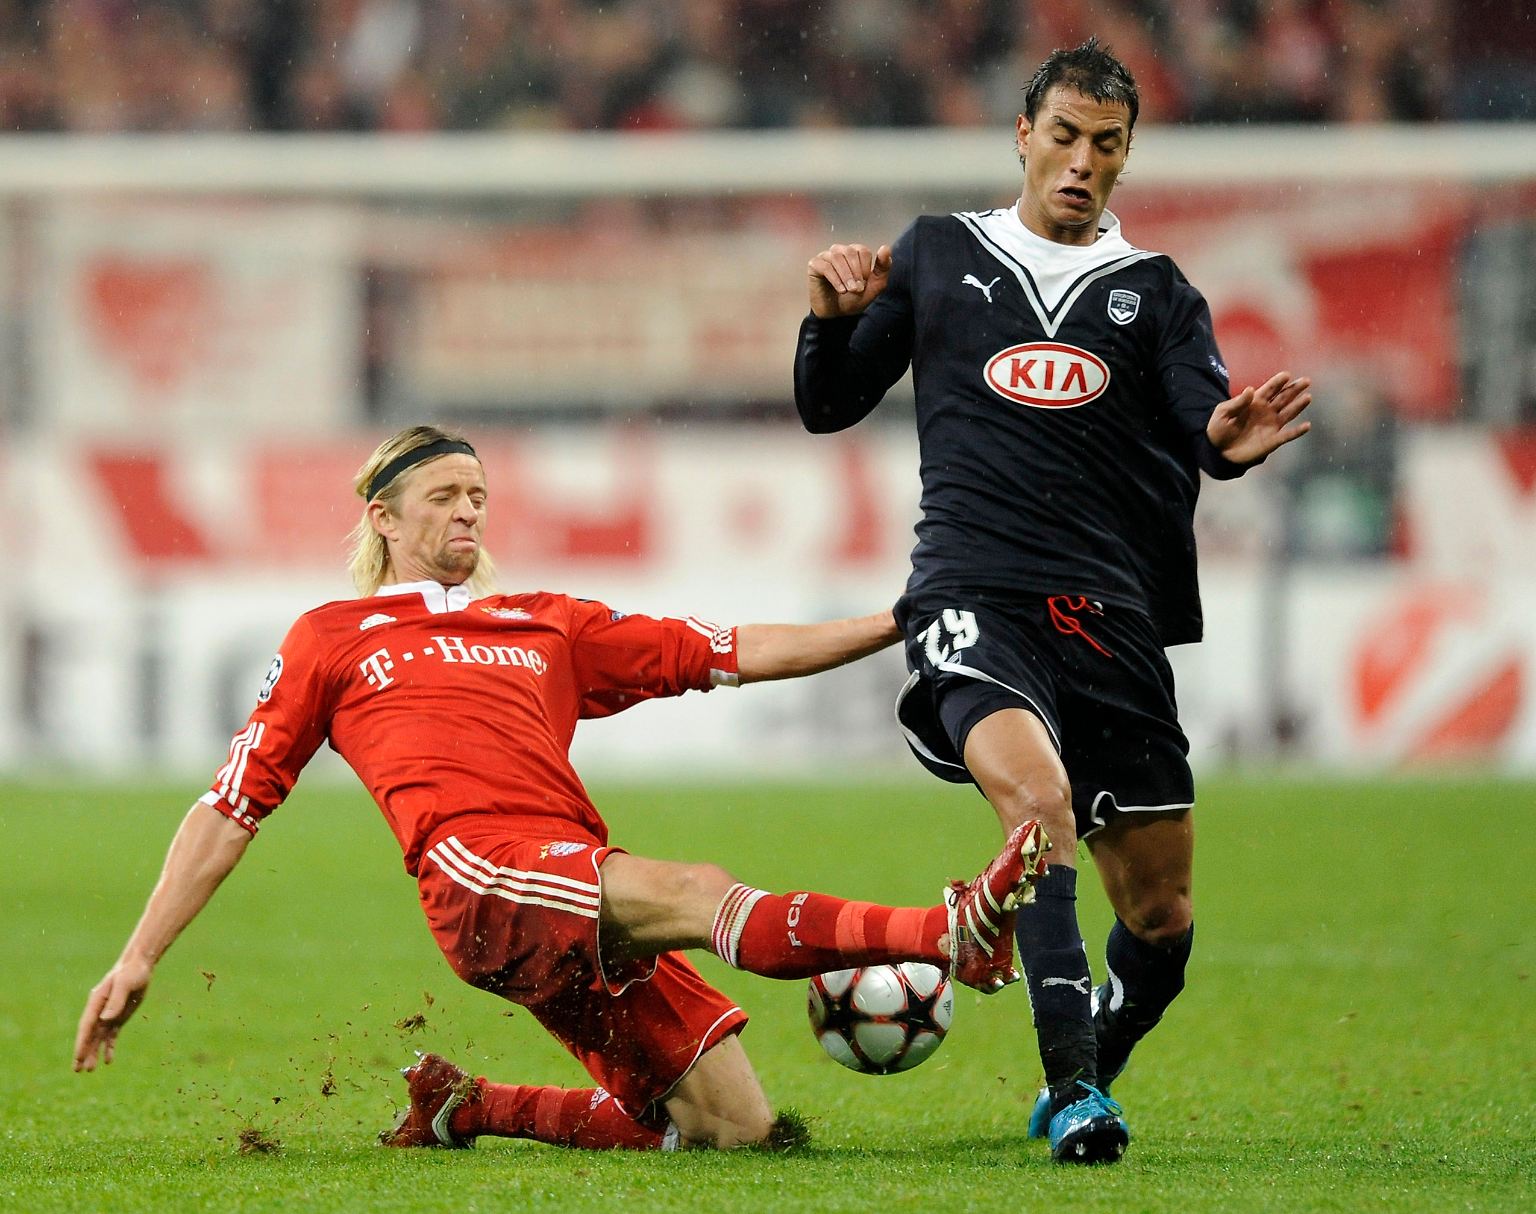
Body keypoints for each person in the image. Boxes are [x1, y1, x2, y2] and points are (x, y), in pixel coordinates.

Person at [73, 425, 1049, 1153]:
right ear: (383, 515)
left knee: (737, 1128)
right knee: (693, 888)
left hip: (569, 880)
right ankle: (945, 931)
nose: (467, 510)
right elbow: (232, 803)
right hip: (480, 874)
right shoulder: (331, 635)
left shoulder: (549, 623)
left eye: (478, 495)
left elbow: (736, 651)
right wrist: (138, 953)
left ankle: (469, 1104)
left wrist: (896, 619)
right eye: (445, 494)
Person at [794, 38, 1312, 1164]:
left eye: (1106, 144)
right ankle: (1076, 1091)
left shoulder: (1160, 294)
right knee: (1038, 809)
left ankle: (1097, 1054)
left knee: (1162, 918)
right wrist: (831, 318)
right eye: (1064, 136)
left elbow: (1203, 420)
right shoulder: (940, 254)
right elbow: (830, 403)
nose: (1081, 161)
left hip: (1113, 618)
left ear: (1129, 156)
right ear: (1024, 136)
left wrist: (1226, 440)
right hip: (971, 592)